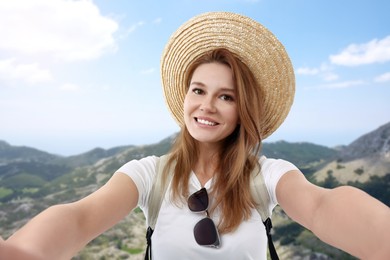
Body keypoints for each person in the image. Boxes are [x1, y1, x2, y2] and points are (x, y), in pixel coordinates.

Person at [1, 11, 389, 260]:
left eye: (226, 96)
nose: (206, 106)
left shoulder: (266, 175)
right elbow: (81, 217)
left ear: (244, 111)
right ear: (185, 96)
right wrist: (19, 252)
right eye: (198, 90)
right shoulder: (150, 174)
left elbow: (322, 207)